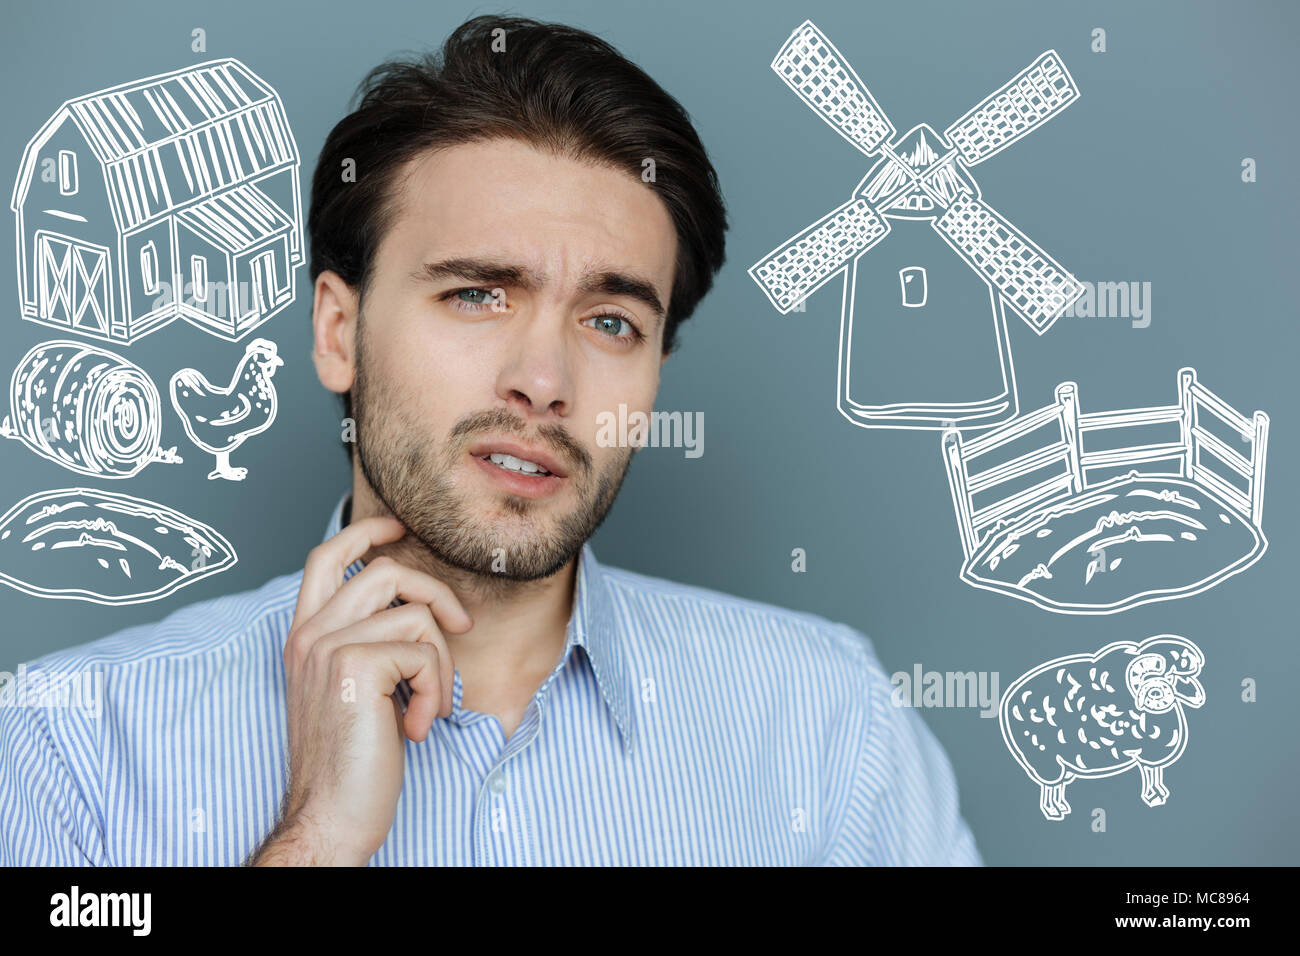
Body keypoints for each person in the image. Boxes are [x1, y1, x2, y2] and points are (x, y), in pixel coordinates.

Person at [0, 15, 980, 866]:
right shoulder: (74, 742)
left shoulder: (831, 723)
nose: (544, 383)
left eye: (611, 322)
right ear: (338, 331)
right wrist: (315, 839)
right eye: (476, 293)